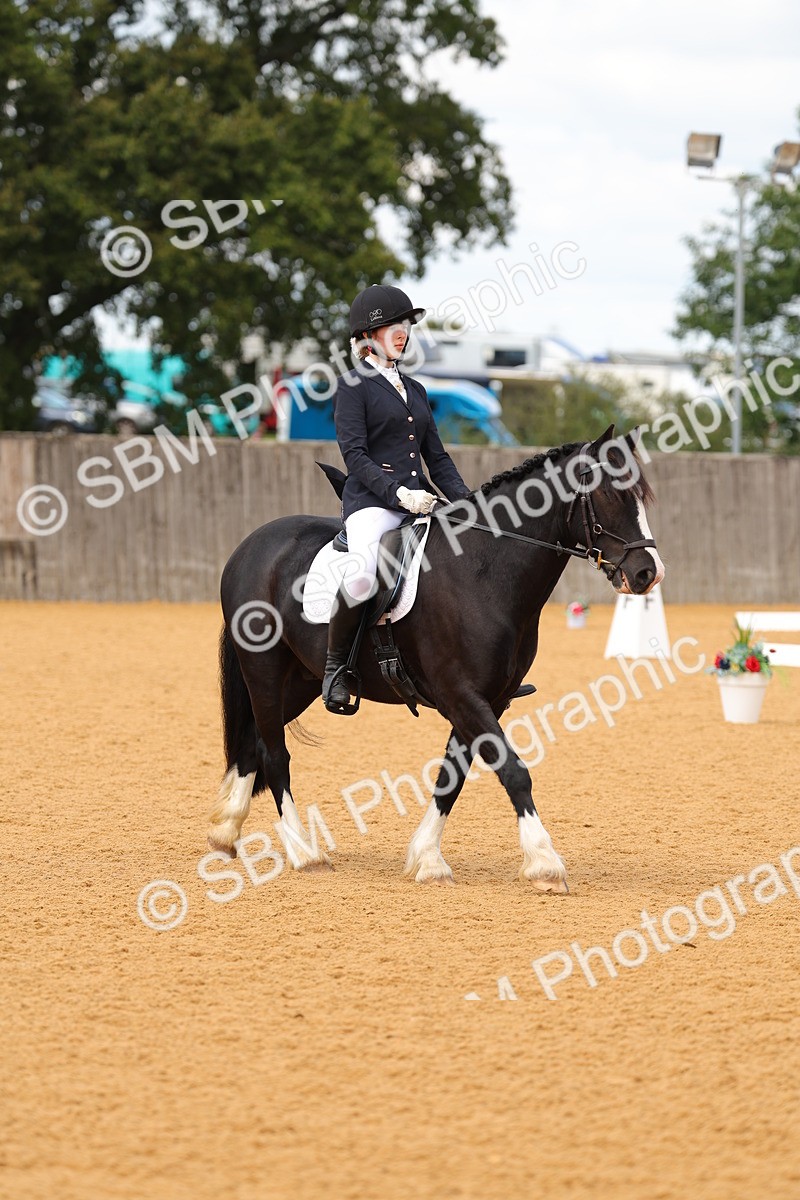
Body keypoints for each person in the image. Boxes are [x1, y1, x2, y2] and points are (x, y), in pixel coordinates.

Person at [322, 284, 473, 714]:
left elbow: (437, 459)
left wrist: (467, 504)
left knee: (464, 560)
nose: (403, 332)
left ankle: (477, 669)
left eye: (405, 324)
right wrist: (398, 493)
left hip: (421, 501)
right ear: (369, 336)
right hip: (373, 504)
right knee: (363, 575)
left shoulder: (417, 390)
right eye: (392, 325)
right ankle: (336, 670)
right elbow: (354, 455)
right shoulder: (353, 387)